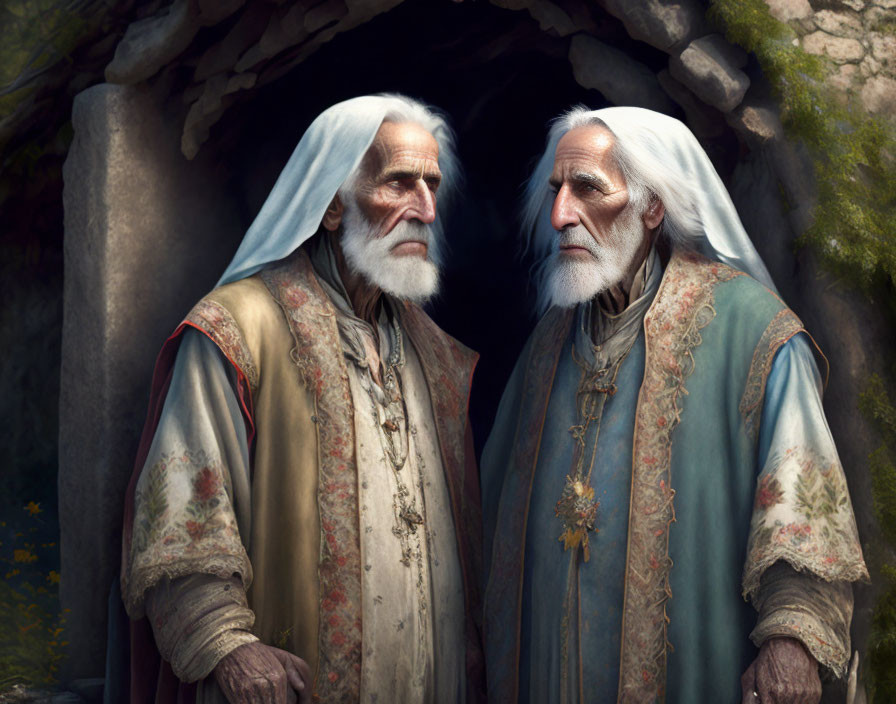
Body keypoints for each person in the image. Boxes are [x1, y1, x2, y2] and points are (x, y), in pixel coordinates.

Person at [481, 106, 868, 703]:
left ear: (652, 208)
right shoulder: (549, 343)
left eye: (588, 189)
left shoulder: (754, 334)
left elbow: (807, 522)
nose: (560, 215)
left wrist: (790, 642)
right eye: (557, 190)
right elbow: (489, 508)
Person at [120, 94, 484, 704]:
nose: (425, 208)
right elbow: (179, 520)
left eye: (432, 185)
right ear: (334, 205)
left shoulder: (437, 356)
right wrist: (229, 645)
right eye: (399, 183)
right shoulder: (238, 330)